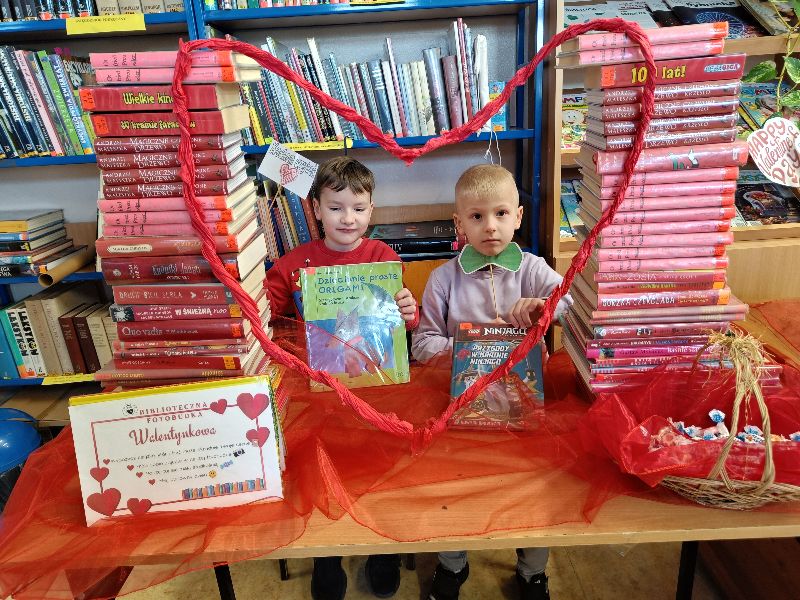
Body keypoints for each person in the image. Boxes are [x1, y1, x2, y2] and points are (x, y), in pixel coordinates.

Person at [411, 164, 572, 600]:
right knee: (455, 485)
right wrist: (463, 348)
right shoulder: (444, 279)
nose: (491, 227)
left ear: (518, 216)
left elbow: (573, 303)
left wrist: (545, 308)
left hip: (527, 406)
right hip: (461, 406)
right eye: (477, 217)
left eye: (501, 213)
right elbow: (422, 343)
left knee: (536, 487)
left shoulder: (533, 269)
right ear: (458, 223)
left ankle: (533, 569)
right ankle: (452, 563)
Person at [265, 156, 419, 600]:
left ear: (372, 211)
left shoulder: (383, 257)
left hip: (376, 386)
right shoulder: (294, 263)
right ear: (315, 208)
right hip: (317, 390)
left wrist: (408, 313)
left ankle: (381, 550)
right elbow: (267, 315)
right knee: (316, 470)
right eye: (335, 207)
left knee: (379, 468)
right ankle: (326, 555)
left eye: (357, 208)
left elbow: (399, 321)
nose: (347, 218)